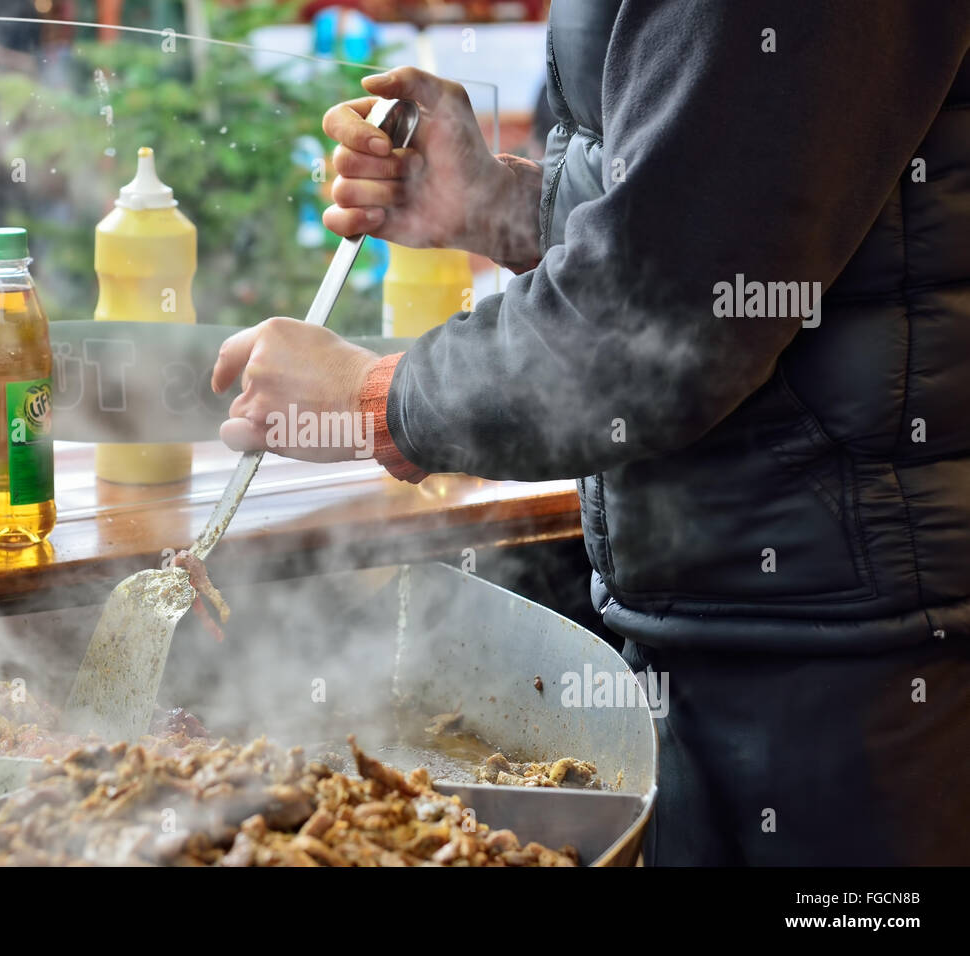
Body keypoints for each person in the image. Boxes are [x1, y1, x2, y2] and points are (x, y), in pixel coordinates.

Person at [210, 1, 970, 866]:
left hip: (843, 655)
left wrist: (373, 396)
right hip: (751, 613)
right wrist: (502, 205)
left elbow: (661, 320)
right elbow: (704, 204)